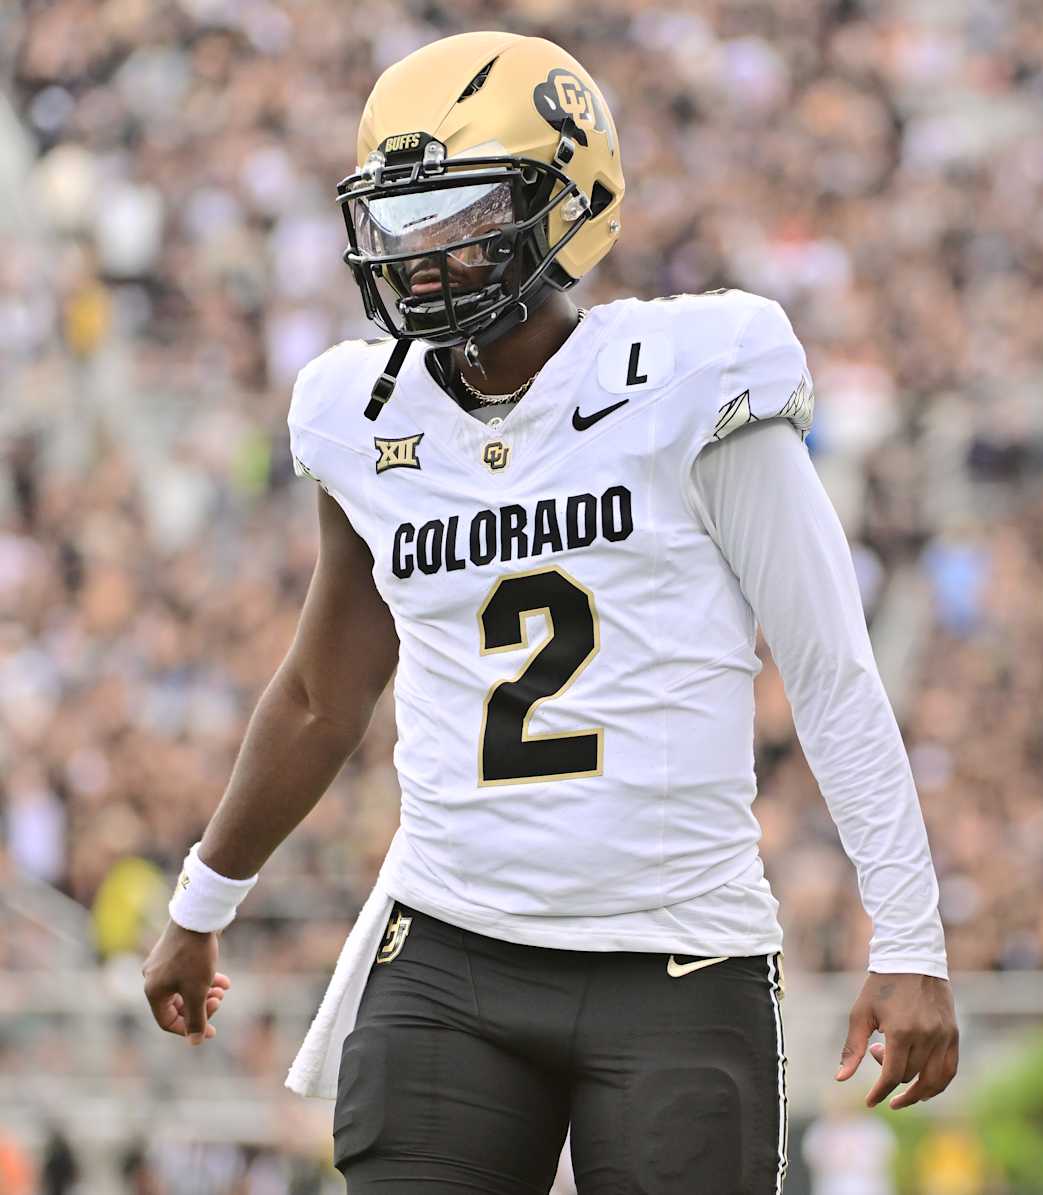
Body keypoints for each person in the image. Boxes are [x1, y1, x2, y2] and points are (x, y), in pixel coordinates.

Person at [140, 31, 957, 1193]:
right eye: (402, 215)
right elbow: (324, 690)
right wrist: (203, 895)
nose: (423, 251)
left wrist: (912, 937)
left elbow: (830, 671)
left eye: (463, 207)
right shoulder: (362, 415)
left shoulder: (691, 379)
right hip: (449, 946)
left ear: (568, 203)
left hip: (674, 955)